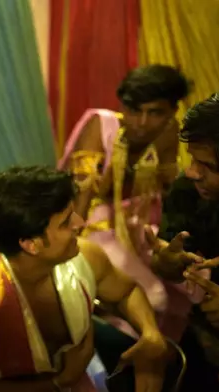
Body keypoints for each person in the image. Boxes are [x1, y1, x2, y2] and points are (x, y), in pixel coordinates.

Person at [0, 166, 168, 392]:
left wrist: (149, 331)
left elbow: (127, 292)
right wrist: (59, 382)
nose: (80, 223)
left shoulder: (86, 257)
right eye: (65, 223)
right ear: (31, 244)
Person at [58, 65, 191, 337]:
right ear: (123, 106)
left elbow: (168, 192)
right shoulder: (101, 123)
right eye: (134, 110)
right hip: (89, 221)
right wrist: (66, 250)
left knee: (189, 277)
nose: (142, 122)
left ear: (172, 112)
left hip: (139, 222)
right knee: (151, 295)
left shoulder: (169, 132)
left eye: (155, 112)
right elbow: (83, 192)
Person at [146, 90, 219, 391]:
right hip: (205, 342)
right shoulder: (188, 192)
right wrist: (165, 262)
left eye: (207, 165)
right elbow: (168, 258)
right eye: (192, 159)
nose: (192, 172)